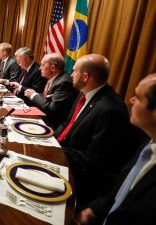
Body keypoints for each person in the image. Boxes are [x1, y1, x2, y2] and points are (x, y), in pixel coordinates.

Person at [54, 54, 141, 208]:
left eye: (74, 71)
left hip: (79, 175)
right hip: (64, 154)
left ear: (85, 76)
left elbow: (94, 159)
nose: (71, 75)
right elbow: (68, 123)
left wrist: (56, 149)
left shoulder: (110, 109)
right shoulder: (84, 93)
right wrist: (49, 139)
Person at [74, 72, 156, 224]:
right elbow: (122, 189)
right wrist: (94, 210)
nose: (130, 101)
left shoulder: (110, 108)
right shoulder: (148, 142)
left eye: (137, 97)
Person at [23, 53, 79, 129]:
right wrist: (35, 95)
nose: (39, 68)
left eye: (42, 65)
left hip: (52, 124)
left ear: (52, 68)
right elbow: (47, 99)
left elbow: (52, 109)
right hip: (43, 117)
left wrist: (34, 95)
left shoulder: (64, 82)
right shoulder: (55, 77)